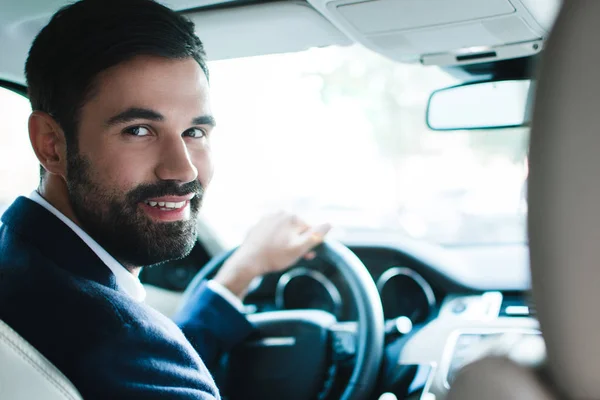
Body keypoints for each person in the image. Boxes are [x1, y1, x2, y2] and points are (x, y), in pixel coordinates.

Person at [0, 0, 330, 398]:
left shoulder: (20, 263)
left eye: (194, 132)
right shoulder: (111, 343)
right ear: (51, 145)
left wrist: (239, 273)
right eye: (139, 130)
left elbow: (154, 365)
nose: (184, 169)